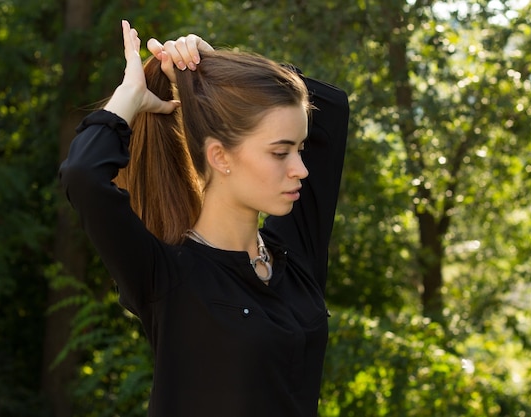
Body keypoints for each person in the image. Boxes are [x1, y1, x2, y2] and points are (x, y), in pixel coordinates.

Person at [60, 20, 349, 417]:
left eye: (300, 148)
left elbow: (331, 109)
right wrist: (129, 97)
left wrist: (214, 68)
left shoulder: (295, 255)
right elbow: (84, 175)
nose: (301, 168)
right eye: (281, 152)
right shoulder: (168, 275)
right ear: (219, 156)